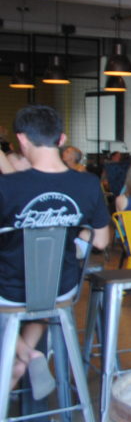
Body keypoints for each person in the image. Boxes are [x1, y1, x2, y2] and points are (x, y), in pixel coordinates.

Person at [0, 105, 110, 399]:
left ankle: (21, 353)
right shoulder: (87, 184)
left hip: (9, 292)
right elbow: (101, 241)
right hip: (61, 290)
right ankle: (27, 353)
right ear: (62, 139)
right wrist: (71, 228)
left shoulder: (6, 186)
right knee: (42, 292)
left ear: (22, 141)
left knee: (23, 292)